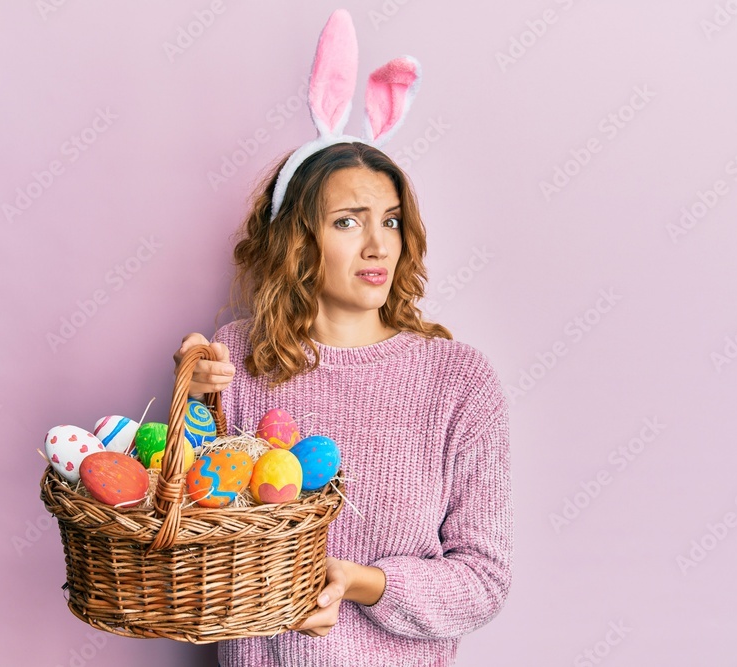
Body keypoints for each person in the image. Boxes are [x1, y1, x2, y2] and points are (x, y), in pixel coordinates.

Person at [173, 140, 513, 667]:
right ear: (297, 241)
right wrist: (192, 407)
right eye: (348, 223)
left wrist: (360, 583)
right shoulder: (237, 357)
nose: (378, 245)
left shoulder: (458, 381)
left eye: (392, 221)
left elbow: (483, 579)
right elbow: (191, 533)